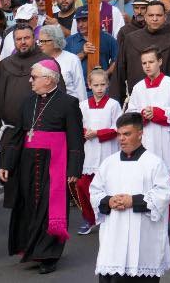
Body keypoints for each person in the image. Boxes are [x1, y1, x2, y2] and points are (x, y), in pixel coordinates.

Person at [0, 57, 84, 275]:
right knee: (28, 205)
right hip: (27, 162)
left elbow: (75, 139)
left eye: (34, 77)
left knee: (49, 207)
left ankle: (49, 255)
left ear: (48, 79)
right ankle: (32, 248)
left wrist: (74, 170)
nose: (30, 81)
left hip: (54, 162)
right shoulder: (28, 102)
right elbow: (17, 135)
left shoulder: (68, 103)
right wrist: (6, 163)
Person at [90, 112, 170, 283]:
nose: (121, 138)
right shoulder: (109, 163)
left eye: (127, 134)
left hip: (143, 237)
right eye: (119, 134)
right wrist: (109, 200)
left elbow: (163, 194)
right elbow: (95, 191)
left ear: (140, 133)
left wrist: (133, 201)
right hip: (113, 236)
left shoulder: (153, 163)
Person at [125, 46, 170, 230]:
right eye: (144, 63)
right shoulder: (138, 87)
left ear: (160, 61)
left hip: (167, 138)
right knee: (149, 178)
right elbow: (131, 112)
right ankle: (152, 212)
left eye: (151, 62)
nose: (147, 66)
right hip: (147, 138)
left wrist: (158, 113)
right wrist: (143, 115)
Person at [76, 68, 123, 236]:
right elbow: (76, 126)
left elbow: (117, 127)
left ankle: (108, 217)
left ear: (107, 85)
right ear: (89, 85)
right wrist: (85, 132)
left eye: (103, 84)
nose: (99, 88)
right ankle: (89, 218)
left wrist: (98, 133)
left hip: (107, 151)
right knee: (83, 186)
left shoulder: (113, 105)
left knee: (108, 186)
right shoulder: (82, 105)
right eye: (96, 85)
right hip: (89, 153)